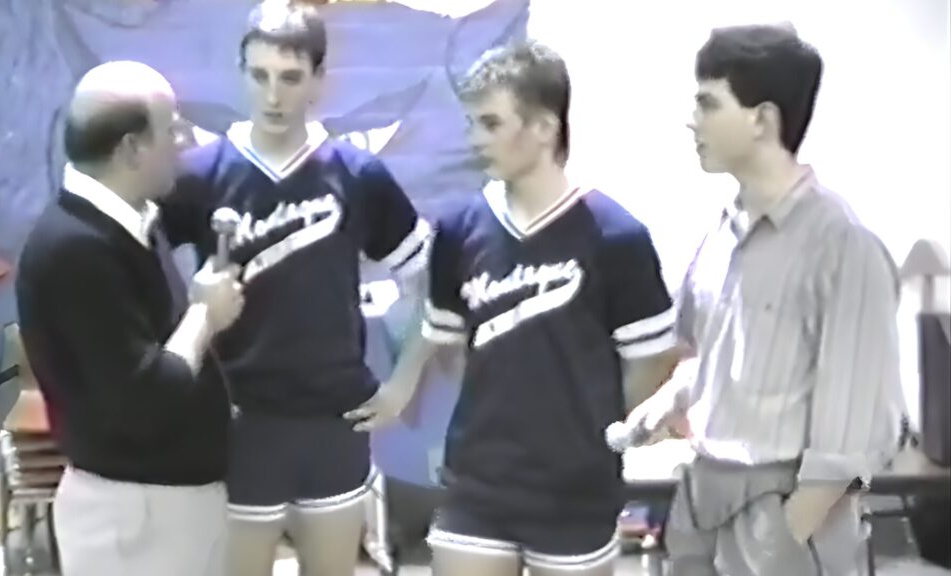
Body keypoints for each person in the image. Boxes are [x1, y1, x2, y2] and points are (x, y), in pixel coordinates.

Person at [386, 41, 683, 576]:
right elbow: (447, 342)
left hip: (576, 493)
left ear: (544, 128)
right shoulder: (457, 231)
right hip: (478, 485)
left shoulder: (616, 236)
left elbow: (652, 361)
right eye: (472, 123)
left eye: (491, 123)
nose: (476, 139)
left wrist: (591, 430)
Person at [158, 3, 432, 574]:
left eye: (289, 77)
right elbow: (134, 272)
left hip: (334, 419)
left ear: (318, 79)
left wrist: (403, 384)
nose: (272, 95)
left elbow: (430, 280)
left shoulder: (357, 174)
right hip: (238, 420)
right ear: (240, 72)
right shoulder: (199, 175)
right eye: (259, 75)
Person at [621, 24, 904, 575]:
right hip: (703, 501)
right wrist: (667, 401)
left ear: (762, 119)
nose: (691, 120)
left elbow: (853, 434)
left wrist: (785, 533)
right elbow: (713, 357)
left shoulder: (843, 246)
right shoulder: (718, 235)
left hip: (783, 514)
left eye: (708, 103)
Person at [15, 61, 245, 576]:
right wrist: (204, 315)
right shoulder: (75, 251)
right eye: (172, 130)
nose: (184, 143)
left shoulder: (131, 221)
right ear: (131, 149)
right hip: (135, 522)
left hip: (166, 511)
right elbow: (142, 400)